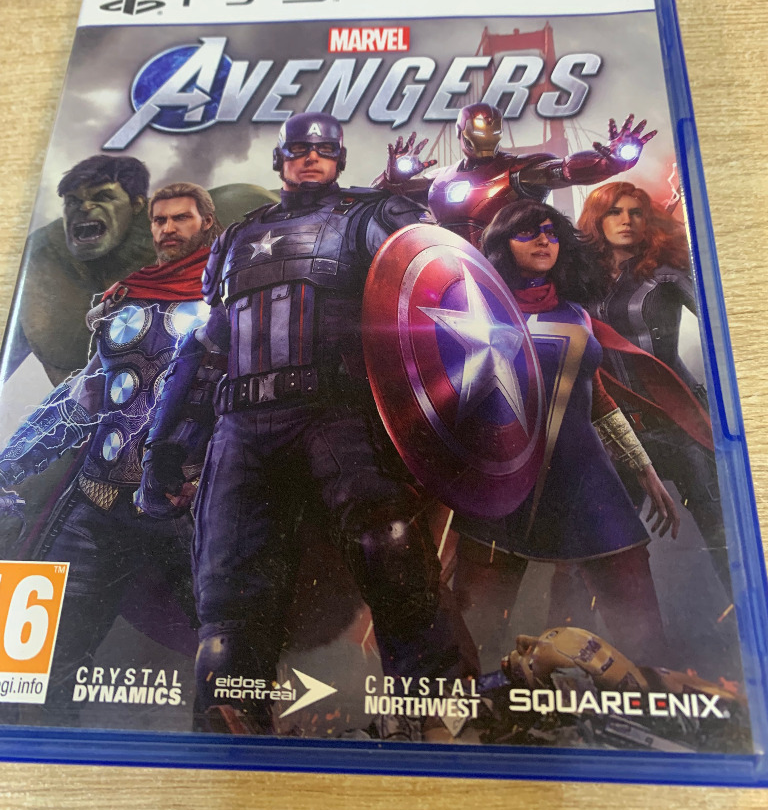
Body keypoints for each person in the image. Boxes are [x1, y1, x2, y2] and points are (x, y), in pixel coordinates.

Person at [139, 112, 477, 733]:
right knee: (228, 583)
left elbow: (441, 285)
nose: (311, 157)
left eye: (323, 149)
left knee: (390, 550)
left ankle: (435, 707)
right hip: (241, 426)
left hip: (338, 414)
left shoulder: (373, 216)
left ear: (339, 158)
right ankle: (229, 717)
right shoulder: (238, 237)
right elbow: (208, 346)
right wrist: (166, 442)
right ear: (281, 160)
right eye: (299, 149)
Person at [0, 182, 220, 714]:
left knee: (233, 659)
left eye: (182, 218)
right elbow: (86, 393)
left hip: (192, 508)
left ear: (207, 224)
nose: (168, 229)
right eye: (160, 220)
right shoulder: (125, 298)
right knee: (39, 665)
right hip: (100, 500)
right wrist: (10, 466)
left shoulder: (232, 296)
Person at [452, 199, 679, 664]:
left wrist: (644, 469)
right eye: (528, 232)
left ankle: (655, 694)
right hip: (506, 478)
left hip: (584, 474)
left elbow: (596, 398)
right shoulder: (473, 313)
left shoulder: (576, 314)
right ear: (502, 244)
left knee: (637, 612)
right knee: (475, 626)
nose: (544, 241)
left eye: (551, 233)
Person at [3, 153, 277, 386]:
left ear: (136, 204)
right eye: (73, 201)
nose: (84, 208)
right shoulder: (40, 263)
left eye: (103, 196)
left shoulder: (231, 212)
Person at [577, 181, 729, 589]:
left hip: (678, 419)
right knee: (604, 547)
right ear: (597, 220)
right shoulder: (579, 281)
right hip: (615, 429)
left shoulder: (666, 276)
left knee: (722, 535)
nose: (626, 220)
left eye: (636, 212)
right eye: (615, 212)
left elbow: (723, 327)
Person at [376, 105, 655, 247]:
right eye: (477, 132)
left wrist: (607, 163)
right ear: (461, 132)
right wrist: (392, 178)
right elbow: (381, 197)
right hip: (446, 275)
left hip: (509, 281)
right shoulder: (439, 180)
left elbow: (565, 170)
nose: (484, 140)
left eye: (490, 131)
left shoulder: (519, 171)